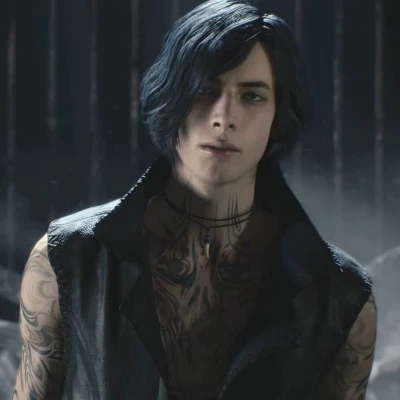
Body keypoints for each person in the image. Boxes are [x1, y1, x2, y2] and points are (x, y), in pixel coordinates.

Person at [13, 0, 377, 399]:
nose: (225, 117)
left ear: (279, 113)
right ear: (171, 96)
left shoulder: (341, 296)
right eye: (205, 89)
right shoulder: (69, 260)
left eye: (252, 96)